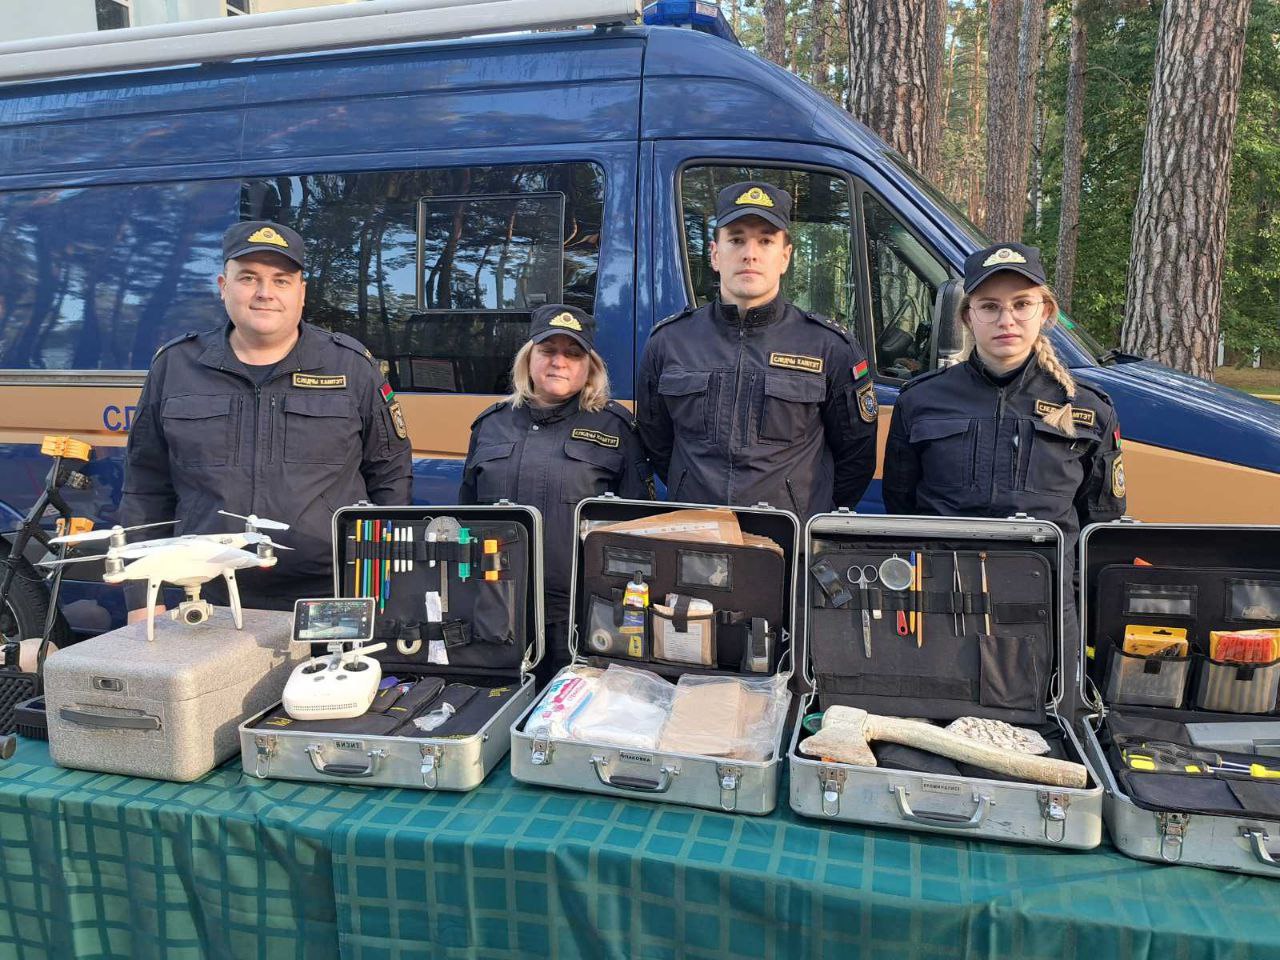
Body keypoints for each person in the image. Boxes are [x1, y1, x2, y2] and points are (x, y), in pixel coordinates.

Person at [119, 221, 412, 616]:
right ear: (223, 286)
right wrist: (143, 600)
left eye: (281, 280)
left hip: (331, 593)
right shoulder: (175, 367)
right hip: (207, 595)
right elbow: (145, 488)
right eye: (248, 278)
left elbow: (391, 479)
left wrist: (381, 587)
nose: (265, 293)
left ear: (301, 292)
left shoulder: (352, 367)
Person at [882, 242, 1127, 635]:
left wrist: (1075, 608)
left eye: (1021, 304)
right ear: (968, 316)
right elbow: (901, 506)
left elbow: (1100, 523)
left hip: (1045, 610)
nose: (1006, 320)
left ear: (1045, 311)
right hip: (943, 604)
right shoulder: (921, 400)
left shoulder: (1088, 408)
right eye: (990, 306)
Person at [636, 181, 877, 519]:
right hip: (696, 533)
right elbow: (657, 443)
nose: (750, 253)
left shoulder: (828, 347)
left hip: (789, 538)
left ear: (785, 256)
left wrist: (806, 511)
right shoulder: (669, 342)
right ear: (715, 254)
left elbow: (856, 457)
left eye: (765, 241)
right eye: (736, 240)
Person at [459, 304, 651, 674]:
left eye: (573, 353)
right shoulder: (491, 425)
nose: (559, 362)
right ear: (528, 359)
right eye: (547, 350)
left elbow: (638, 531)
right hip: (497, 615)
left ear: (589, 366)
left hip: (581, 618)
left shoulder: (616, 428)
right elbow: (465, 521)